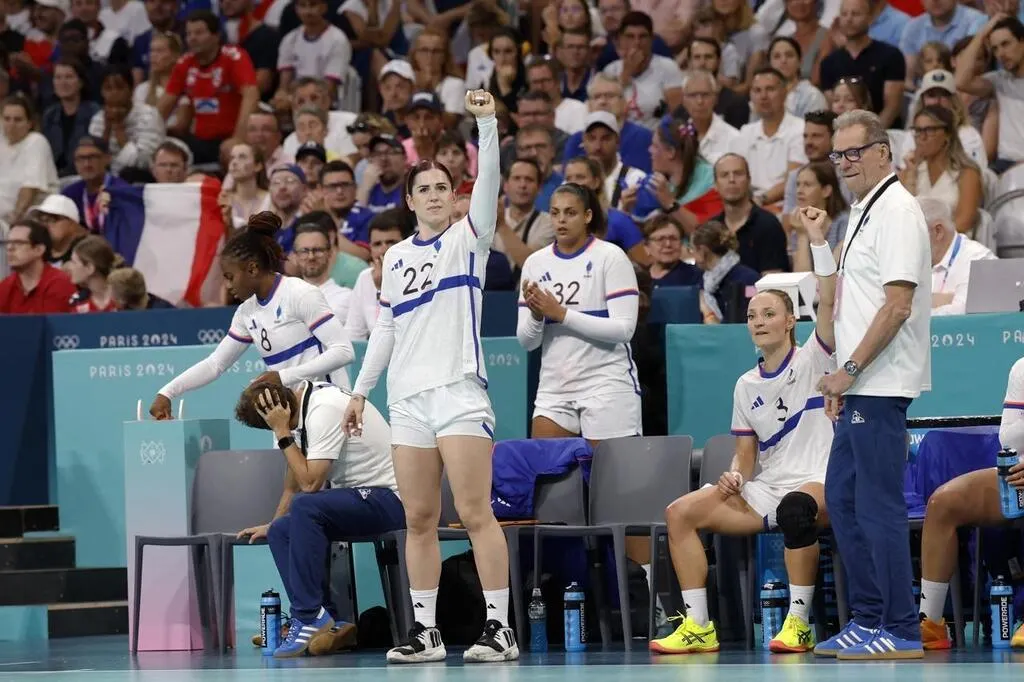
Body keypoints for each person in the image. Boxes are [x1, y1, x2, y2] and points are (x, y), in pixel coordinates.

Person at [342, 90, 519, 664]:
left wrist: (486, 123)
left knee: (473, 513)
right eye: (425, 189)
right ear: (411, 200)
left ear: (453, 195)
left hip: (460, 394)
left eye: (444, 187)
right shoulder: (392, 260)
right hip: (410, 400)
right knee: (418, 517)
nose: (435, 195)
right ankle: (426, 632)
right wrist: (360, 393)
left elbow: (488, 183)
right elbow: (386, 333)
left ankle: (500, 629)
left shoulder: (469, 239)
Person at [651, 204, 838, 655]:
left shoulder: (816, 356)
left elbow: (830, 298)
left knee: (796, 511)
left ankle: (799, 623)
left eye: (769, 314)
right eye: (753, 315)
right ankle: (699, 626)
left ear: (792, 321)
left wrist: (817, 240)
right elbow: (747, 456)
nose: (758, 321)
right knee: (679, 513)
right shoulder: (745, 385)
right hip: (766, 487)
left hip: (820, 482)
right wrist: (736, 473)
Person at [814, 109, 931, 660]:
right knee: (841, 497)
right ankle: (866, 618)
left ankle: (903, 627)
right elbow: (844, 301)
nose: (844, 164)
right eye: (838, 156)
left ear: (883, 151)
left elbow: (897, 306)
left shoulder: (899, 211)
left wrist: (850, 370)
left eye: (854, 152)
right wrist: (845, 378)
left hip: (880, 383)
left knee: (877, 503)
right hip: (859, 384)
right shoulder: (863, 210)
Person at [234, 379, 404, 658]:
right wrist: (274, 522)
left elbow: (310, 484)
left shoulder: (322, 410)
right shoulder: (304, 407)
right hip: (358, 499)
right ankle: (330, 622)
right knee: (281, 530)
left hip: (389, 499)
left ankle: (308, 615)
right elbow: (294, 481)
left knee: (306, 506)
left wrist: (281, 432)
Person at [148, 212, 355, 419]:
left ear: (253, 269)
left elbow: (344, 351)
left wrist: (281, 377)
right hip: (289, 416)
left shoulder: (300, 294)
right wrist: (167, 392)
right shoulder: (246, 312)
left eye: (230, 277)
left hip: (329, 408)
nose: (228, 286)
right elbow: (215, 364)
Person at [917, 356, 1024, 649]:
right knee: (943, 503)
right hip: (1017, 473)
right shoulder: (1020, 368)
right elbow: (1009, 436)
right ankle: (932, 622)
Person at [0, 219, 77, 314]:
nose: (9, 248)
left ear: (39, 250)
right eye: (8, 243)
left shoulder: (59, 283)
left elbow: (52, 327)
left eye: (18, 243)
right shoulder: (5, 286)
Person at [66, 235, 120, 313]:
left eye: (74, 262)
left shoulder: (123, 298)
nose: (69, 267)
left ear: (90, 268)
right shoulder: (77, 301)